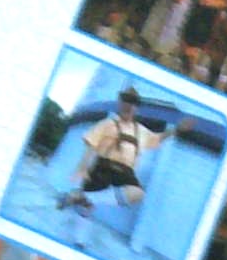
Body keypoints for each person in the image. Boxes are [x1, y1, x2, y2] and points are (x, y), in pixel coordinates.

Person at [58, 88, 160, 222]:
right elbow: (91, 144)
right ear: (120, 103)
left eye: (133, 102)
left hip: (124, 171)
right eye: (125, 100)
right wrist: (82, 167)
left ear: (136, 107)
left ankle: (79, 197)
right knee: (86, 207)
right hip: (103, 168)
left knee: (137, 193)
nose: (129, 105)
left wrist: (175, 131)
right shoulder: (108, 124)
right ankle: (78, 212)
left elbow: (156, 139)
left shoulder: (140, 131)